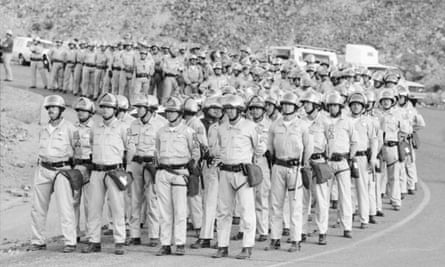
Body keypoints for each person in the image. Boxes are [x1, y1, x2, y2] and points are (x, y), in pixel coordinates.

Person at [213, 94, 265, 260]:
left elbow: (260, 148)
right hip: (225, 171)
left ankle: (247, 246)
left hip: (242, 172)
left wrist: (249, 160)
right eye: (227, 109)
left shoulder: (250, 126)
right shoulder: (222, 128)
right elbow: (220, 149)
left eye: (232, 109)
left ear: (239, 110)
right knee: (223, 211)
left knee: (246, 210)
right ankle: (222, 246)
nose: (229, 112)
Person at [30, 95, 78, 253]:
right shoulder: (43, 128)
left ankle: (70, 241)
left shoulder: (70, 128)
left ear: (61, 110)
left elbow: (77, 150)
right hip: (43, 169)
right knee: (38, 208)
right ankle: (38, 241)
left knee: (65, 207)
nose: (50, 110)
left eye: (54, 108)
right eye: (48, 108)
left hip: (62, 171)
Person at [82, 93, 128, 255]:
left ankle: (119, 241)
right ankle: (94, 241)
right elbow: (91, 144)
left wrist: (125, 170)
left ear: (115, 109)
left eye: (109, 107)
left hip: (114, 171)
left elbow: (129, 150)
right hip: (97, 171)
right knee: (94, 207)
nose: (106, 110)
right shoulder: (95, 127)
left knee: (117, 207)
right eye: (103, 107)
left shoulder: (122, 127)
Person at [266, 92, 312, 252]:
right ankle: (275, 238)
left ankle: (295, 239)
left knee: (295, 204)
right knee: (276, 203)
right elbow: (270, 146)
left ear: (295, 107)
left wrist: (304, 164)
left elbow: (308, 148)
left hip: (295, 167)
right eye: (284, 104)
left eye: (289, 104)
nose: (286, 107)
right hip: (278, 165)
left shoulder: (302, 125)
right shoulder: (275, 125)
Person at [155, 96, 200, 256]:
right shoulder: (160, 131)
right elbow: (156, 151)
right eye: (168, 111)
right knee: (164, 211)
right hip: (163, 172)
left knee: (180, 210)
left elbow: (196, 152)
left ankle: (180, 243)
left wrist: (191, 167)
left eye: (173, 111)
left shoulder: (190, 132)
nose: (169, 114)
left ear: (180, 113)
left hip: (180, 172)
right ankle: (165, 243)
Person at [127, 94, 166, 247]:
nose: (137, 110)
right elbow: (130, 146)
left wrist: (160, 166)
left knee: (152, 199)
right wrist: (128, 167)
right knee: (134, 200)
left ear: (149, 108)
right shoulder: (133, 124)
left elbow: (163, 147)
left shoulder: (161, 124)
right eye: (137, 107)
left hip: (152, 165)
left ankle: (154, 235)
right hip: (136, 164)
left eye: (140, 107)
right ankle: (134, 235)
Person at [191, 96, 223, 249]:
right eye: (213, 108)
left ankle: (222, 239)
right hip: (208, 165)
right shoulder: (198, 123)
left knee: (224, 205)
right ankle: (206, 236)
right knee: (208, 202)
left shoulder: (225, 124)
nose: (217, 111)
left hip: (226, 166)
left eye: (219, 108)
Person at [325, 90, 358, 238]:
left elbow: (355, 141)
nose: (333, 108)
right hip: (327, 162)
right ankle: (322, 228)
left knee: (345, 196)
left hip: (343, 161)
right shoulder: (323, 121)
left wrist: (350, 157)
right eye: (330, 105)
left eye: (335, 105)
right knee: (323, 197)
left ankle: (347, 227)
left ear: (340, 106)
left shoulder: (347, 121)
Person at [300, 91, 330, 245]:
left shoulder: (325, 121)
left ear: (316, 105)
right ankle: (302, 230)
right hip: (305, 162)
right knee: (303, 198)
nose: (305, 105)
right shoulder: (301, 121)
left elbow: (330, 142)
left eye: (308, 103)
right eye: (304, 103)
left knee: (321, 199)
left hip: (319, 161)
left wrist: (327, 162)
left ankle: (322, 231)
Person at [348, 92, 378, 228]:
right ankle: (347, 216)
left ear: (363, 107)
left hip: (361, 157)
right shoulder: (345, 120)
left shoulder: (368, 122)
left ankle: (364, 218)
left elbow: (374, 140)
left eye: (358, 105)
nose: (355, 107)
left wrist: (373, 157)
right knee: (347, 189)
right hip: (346, 157)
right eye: (353, 104)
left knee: (362, 188)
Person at [247, 96, 271, 242]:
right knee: (246, 198)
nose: (255, 111)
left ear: (263, 110)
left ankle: (263, 230)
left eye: (258, 108)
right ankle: (246, 229)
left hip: (261, 161)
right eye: (253, 108)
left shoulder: (269, 125)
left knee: (262, 196)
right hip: (246, 160)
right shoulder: (246, 124)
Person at [182, 98, 208, 236]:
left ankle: (198, 225)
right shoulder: (187, 123)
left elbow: (203, 145)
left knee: (194, 194)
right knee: (188, 195)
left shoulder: (196, 125)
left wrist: (196, 161)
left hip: (194, 162)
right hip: (186, 161)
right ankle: (191, 222)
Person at [72, 97, 96, 243]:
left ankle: (90, 233)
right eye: (79, 110)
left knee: (89, 202)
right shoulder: (72, 127)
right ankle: (74, 233)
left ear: (90, 112)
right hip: (76, 167)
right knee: (73, 201)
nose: (80, 113)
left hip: (90, 167)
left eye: (84, 110)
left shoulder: (95, 128)